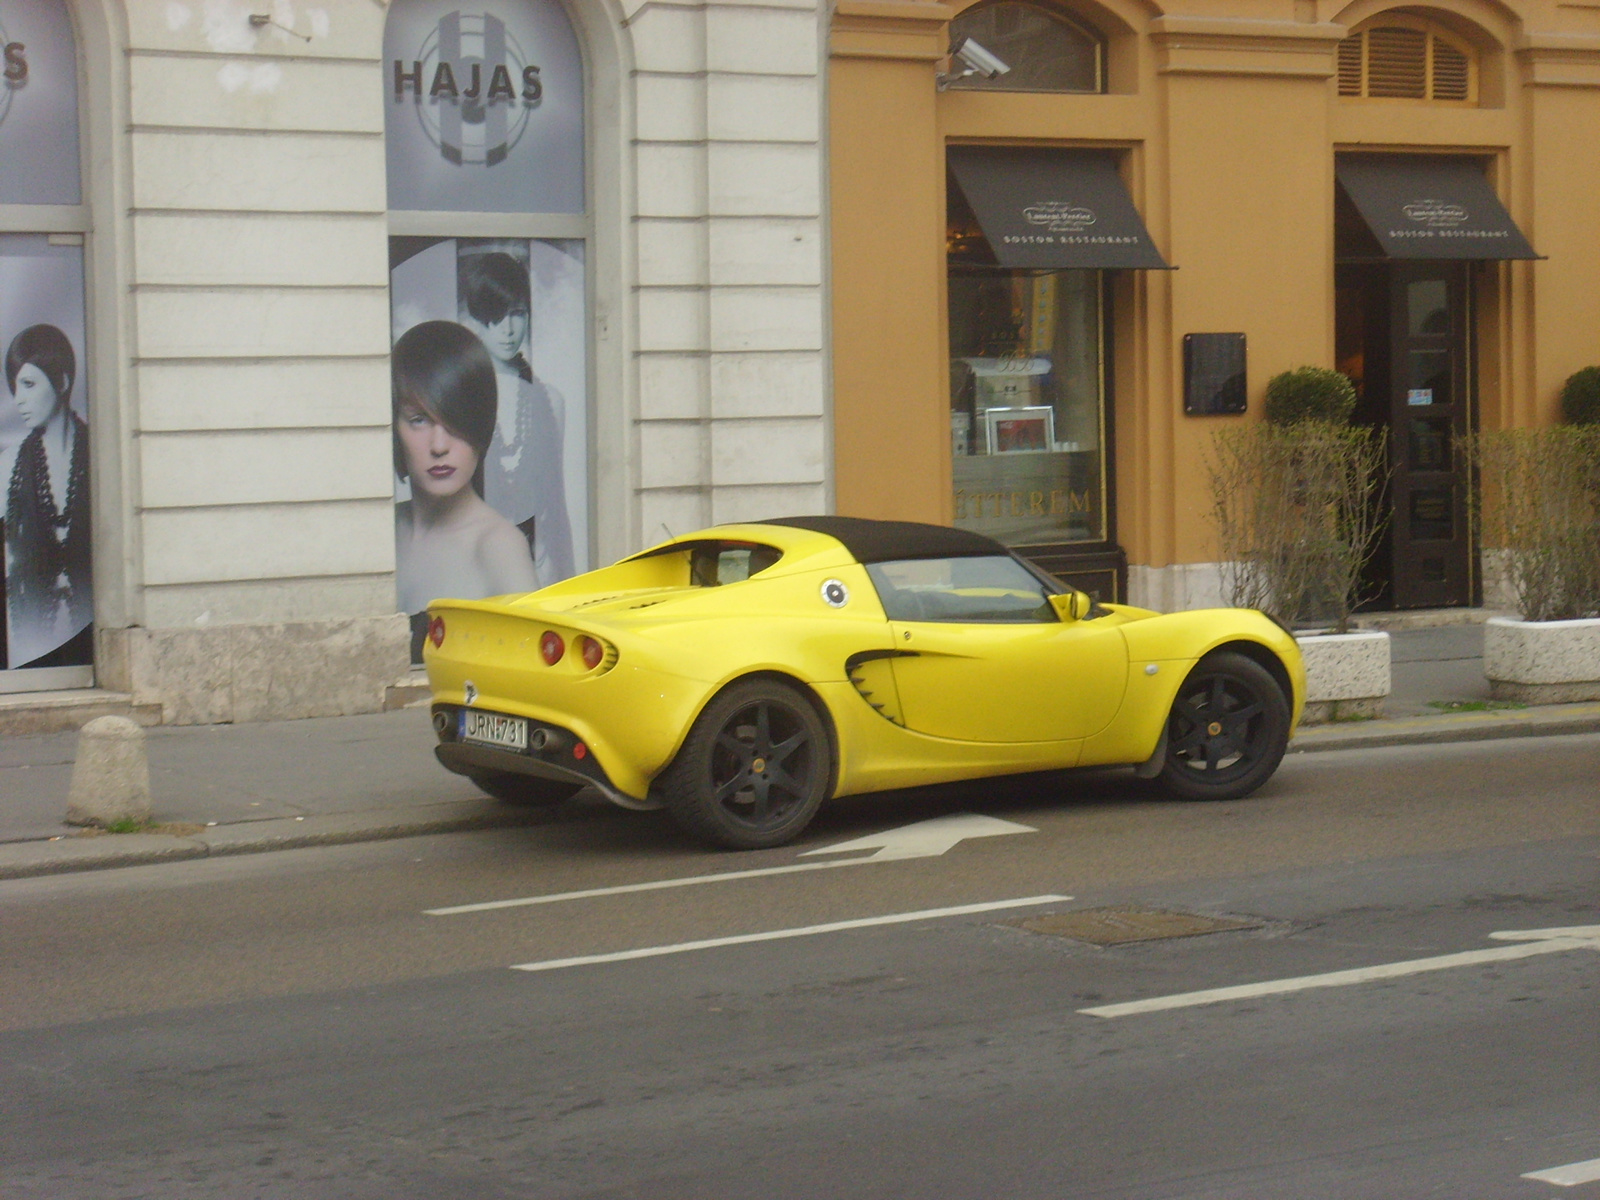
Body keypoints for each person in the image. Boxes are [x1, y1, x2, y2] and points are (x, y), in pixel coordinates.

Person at [392, 320, 537, 659]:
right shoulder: (384, 532)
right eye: (419, 420)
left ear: (481, 424)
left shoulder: (499, 548)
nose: (439, 445)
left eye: (455, 421)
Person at [457, 249, 576, 585]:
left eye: (518, 313)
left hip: (536, 564)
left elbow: (556, 501)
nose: (508, 329)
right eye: (495, 316)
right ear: (477, 319)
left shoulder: (550, 401)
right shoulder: (462, 398)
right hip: (474, 564)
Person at [4, 324, 91, 669]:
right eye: (14, 387)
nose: (18, 399)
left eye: (28, 384)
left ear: (63, 382)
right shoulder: (9, 466)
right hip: (29, 648)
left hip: (87, 648)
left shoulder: (98, 457)